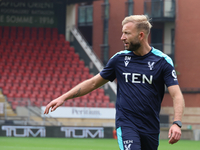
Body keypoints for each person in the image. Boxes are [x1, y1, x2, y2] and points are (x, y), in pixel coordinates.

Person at [44, 15, 185, 150]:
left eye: (126, 33)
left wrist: (176, 123)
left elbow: (176, 95)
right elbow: (93, 83)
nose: (122, 37)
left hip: (151, 127)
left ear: (141, 36)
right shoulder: (119, 59)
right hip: (126, 124)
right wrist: (63, 97)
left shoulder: (162, 61)